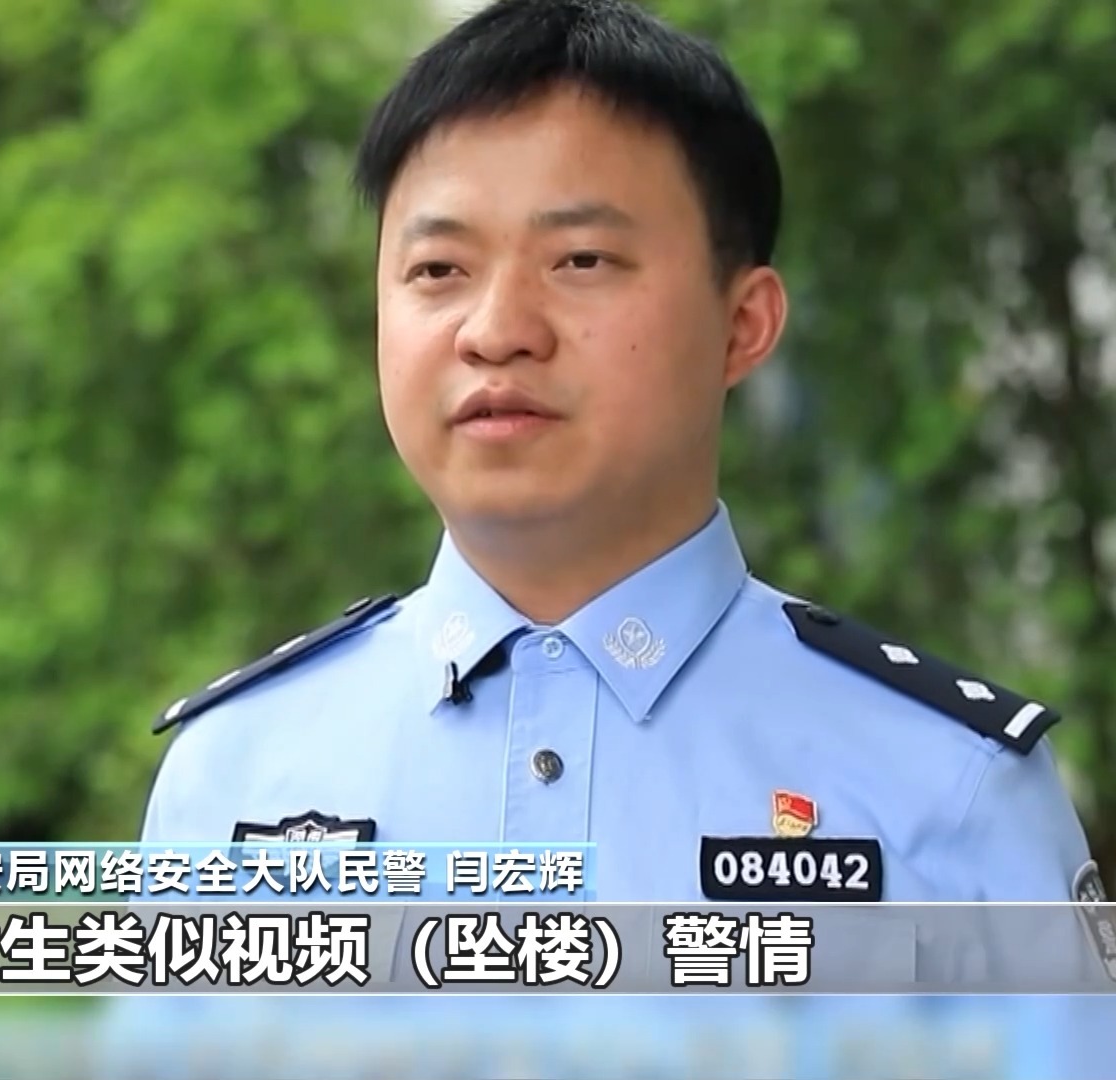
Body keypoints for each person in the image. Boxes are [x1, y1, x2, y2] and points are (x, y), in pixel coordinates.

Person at [139, 0, 1102, 917]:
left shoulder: (949, 788)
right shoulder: (233, 779)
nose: (497, 330)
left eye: (581, 261)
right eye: (438, 270)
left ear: (743, 324)